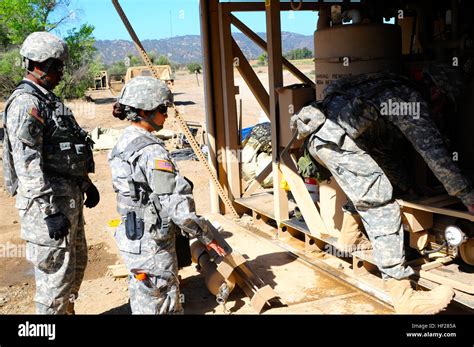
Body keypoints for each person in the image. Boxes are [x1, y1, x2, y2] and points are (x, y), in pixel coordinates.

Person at [291, 70, 474, 314]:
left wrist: (408, 188)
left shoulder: (382, 83)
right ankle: (404, 296)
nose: (439, 109)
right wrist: (468, 197)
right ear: (436, 91)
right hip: (336, 142)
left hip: (320, 137)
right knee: (381, 204)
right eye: (442, 103)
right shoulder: (407, 98)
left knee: (367, 188)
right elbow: (434, 153)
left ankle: (350, 238)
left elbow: (381, 153)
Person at [109, 76, 225, 314]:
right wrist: (205, 235)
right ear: (143, 110)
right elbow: (174, 203)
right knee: (163, 302)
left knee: (144, 298)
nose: (166, 114)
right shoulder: (151, 151)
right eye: (162, 109)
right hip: (152, 245)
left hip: (133, 238)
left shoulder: (123, 141)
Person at [2, 32, 99, 314]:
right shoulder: (26, 104)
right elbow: (27, 163)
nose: (61, 72)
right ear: (37, 65)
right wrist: (49, 211)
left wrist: (85, 182)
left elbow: (67, 149)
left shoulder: (48, 100)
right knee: (55, 283)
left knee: (72, 272)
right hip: (48, 210)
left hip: (68, 201)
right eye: (56, 66)